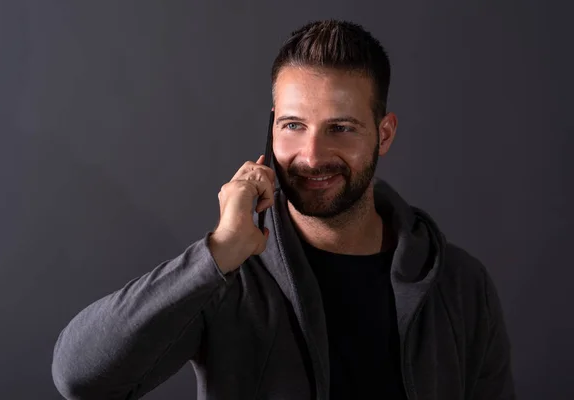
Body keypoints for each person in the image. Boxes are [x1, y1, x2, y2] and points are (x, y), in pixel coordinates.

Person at [51, 19, 515, 400]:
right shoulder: (226, 277)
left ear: (385, 134)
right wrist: (218, 251)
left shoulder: (459, 284)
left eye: (341, 128)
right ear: (272, 128)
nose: (312, 155)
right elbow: (80, 378)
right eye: (294, 125)